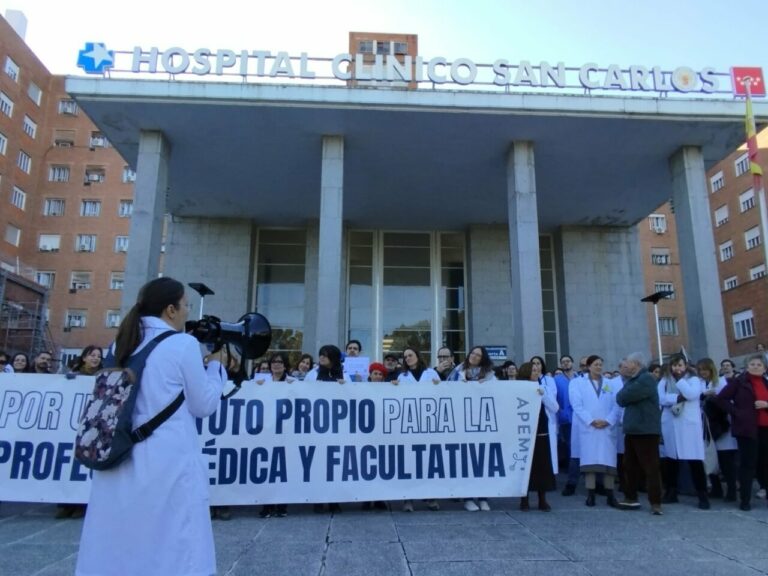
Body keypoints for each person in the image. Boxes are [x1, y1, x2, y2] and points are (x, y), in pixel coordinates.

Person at [76, 277, 229, 576]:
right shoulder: (182, 344)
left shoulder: (120, 341)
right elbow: (204, 405)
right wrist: (216, 367)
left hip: (118, 452)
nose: (187, 312)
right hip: (166, 459)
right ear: (170, 310)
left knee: (118, 536)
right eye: (185, 306)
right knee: (173, 539)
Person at [715, 354, 768, 511]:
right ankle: (745, 499)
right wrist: (737, 412)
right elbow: (720, 399)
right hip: (747, 429)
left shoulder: (766, 382)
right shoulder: (739, 382)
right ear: (747, 366)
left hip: (765, 428)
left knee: (765, 463)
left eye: (759, 364)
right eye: (752, 364)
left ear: (765, 368)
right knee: (748, 464)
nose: (755, 366)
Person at [657, 354, 709, 510]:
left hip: (688, 425)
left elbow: (692, 394)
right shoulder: (664, 380)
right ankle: (671, 492)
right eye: (674, 365)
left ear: (685, 365)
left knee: (695, 461)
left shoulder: (694, 379)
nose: (677, 368)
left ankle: (702, 495)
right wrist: (677, 398)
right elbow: (660, 398)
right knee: (671, 460)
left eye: (680, 365)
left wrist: (679, 381)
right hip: (671, 424)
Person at [392, 347, 441, 512]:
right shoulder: (402, 376)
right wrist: (393, 387)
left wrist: (439, 386)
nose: (407, 358)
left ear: (418, 356)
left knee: (428, 461)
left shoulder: (431, 374)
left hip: (428, 424)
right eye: (405, 357)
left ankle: (430, 497)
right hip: (409, 425)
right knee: (409, 461)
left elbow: (441, 394)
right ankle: (408, 499)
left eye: (410, 355)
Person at [569, 355, 621, 507]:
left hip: (606, 427)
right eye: (596, 364)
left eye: (601, 364)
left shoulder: (610, 384)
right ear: (588, 366)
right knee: (589, 462)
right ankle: (590, 494)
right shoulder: (577, 383)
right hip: (589, 427)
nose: (599, 367)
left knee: (608, 463)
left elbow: (617, 405)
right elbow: (577, 405)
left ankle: (610, 495)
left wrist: (608, 420)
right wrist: (591, 420)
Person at [615, 352, 663, 515]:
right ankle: (630, 497)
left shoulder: (646, 379)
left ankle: (656, 502)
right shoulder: (633, 380)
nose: (624, 366)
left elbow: (622, 397)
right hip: (633, 430)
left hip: (646, 430)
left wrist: (625, 392)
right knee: (630, 466)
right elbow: (621, 398)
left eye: (627, 363)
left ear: (636, 364)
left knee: (651, 468)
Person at [450, 346, 495, 511]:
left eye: (479, 355)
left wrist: (487, 386)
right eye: (473, 353)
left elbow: (498, 392)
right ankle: (468, 498)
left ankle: (483, 498)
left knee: (482, 460)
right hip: (462, 422)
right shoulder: (458, 371)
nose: (474, 356)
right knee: (466, 460)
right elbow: (446, 388)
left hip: (482, 422)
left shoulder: (490, 375)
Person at [305, 344, 346, 513]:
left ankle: (334, 500)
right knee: (318, 463)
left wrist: (345, 387)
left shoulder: (345, 375)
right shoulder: (312, 374)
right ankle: (318, 499)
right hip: (317, 426)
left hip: (338, 427)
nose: (321, 358)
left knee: (335, 464)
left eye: (326, 355)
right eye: (320, 354)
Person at [516, 362, 558, 511]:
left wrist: (543, 394)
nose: (536, 373)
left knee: (542, 466)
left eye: (537, 370)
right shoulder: (517, 388)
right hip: (523, 432)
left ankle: (542, 499)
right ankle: (524, 499)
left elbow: (555, 408)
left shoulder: (542, 387)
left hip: (541, 432)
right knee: (524, 466)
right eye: (533, 371)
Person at [259, 352, 293, 519]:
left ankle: (281, 505)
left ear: (285, 365)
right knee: (267, 469)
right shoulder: (262, 382)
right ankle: (267, 505)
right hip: (267, 432)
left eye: (280, 362)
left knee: (282, 469)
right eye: (274, 362)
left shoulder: (292, 383)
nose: (276, 365)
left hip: (285, 433)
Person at [698, 357, 737, 501]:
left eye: (705, 369)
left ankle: (732, 491)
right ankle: (716, 488)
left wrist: (715, 397)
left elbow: (729, 401)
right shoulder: (700, 383)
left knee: (726, 459)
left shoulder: (721, 382)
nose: (703, 372)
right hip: (706, 425)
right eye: (700, 370)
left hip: (722, 424)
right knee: (711, 458)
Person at [555, 355, 579, 495]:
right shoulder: (557, 380)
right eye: (563, 362)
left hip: (582, 419)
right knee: (572, 451)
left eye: (568, 361)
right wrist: (561, 412)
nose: (565, 364)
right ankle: (572, 481)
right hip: (566, 420)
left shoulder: (580, 378)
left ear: (572, 363)